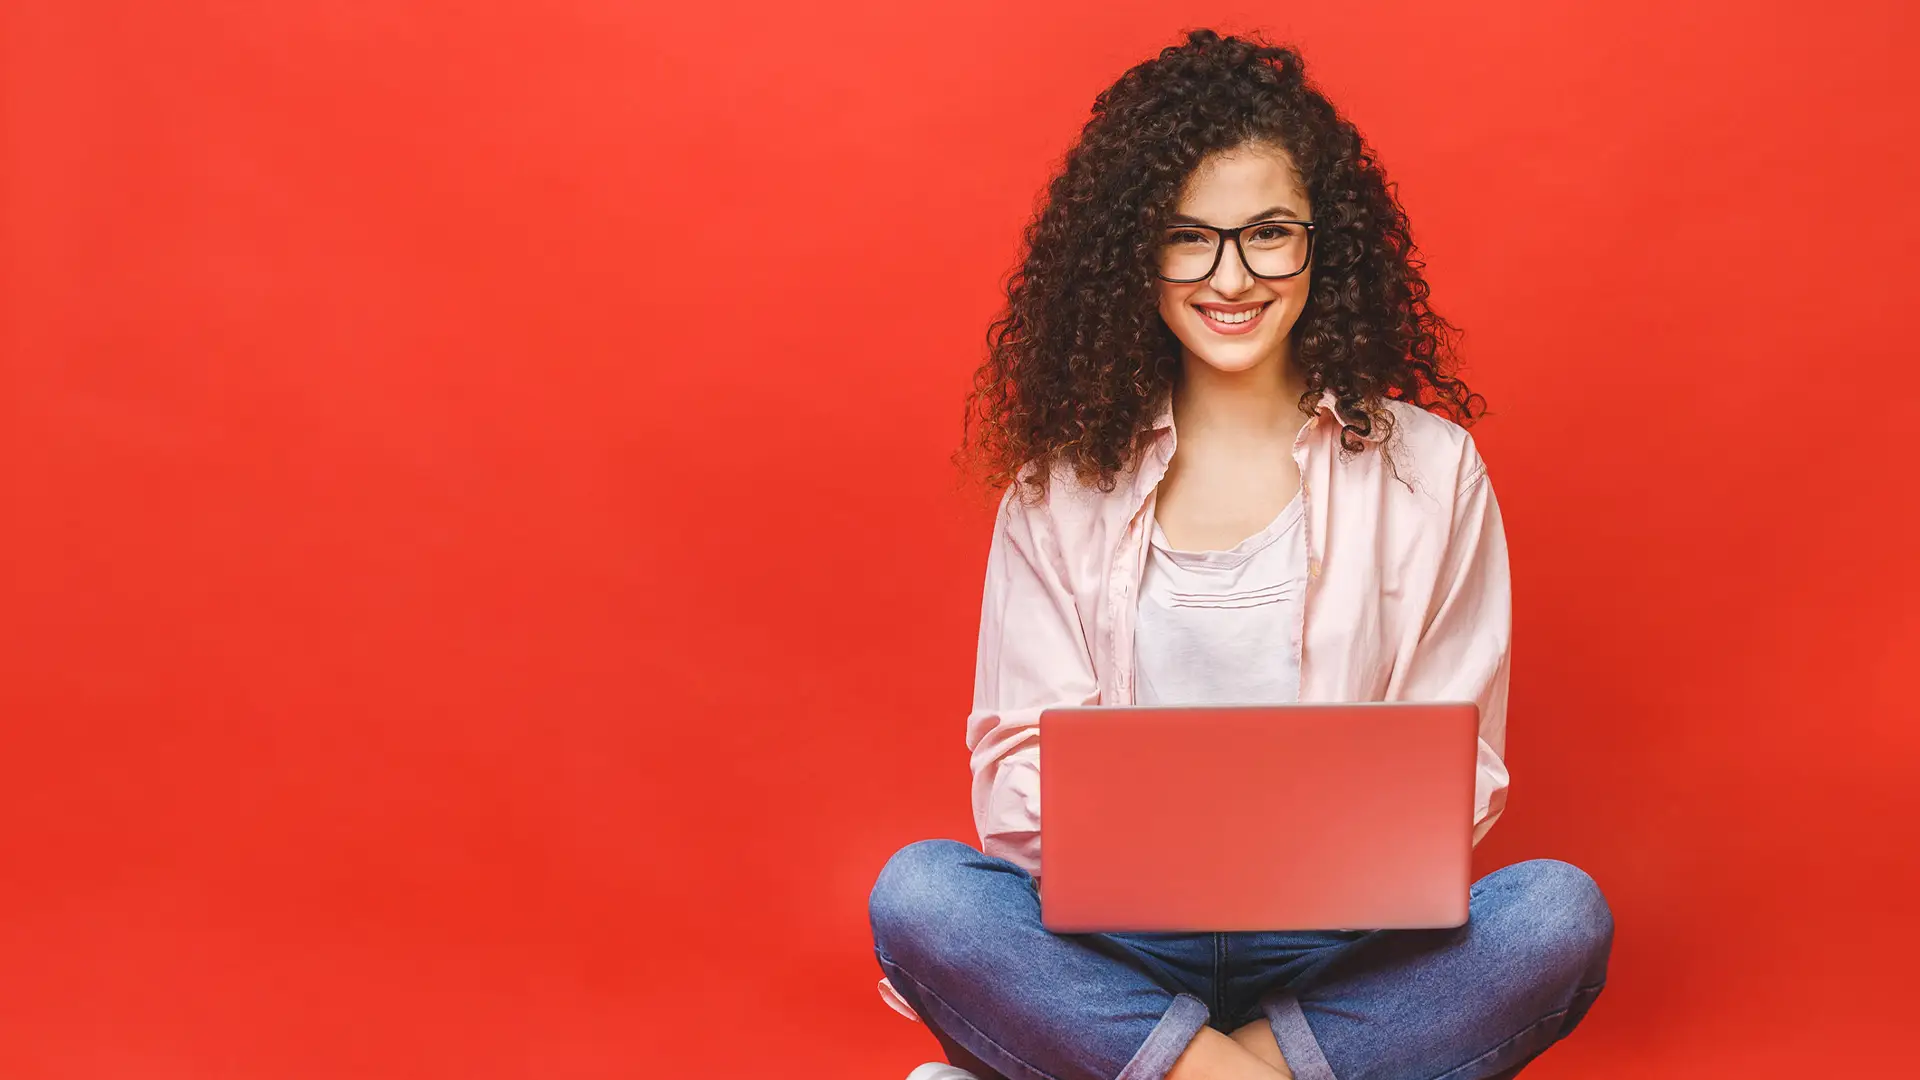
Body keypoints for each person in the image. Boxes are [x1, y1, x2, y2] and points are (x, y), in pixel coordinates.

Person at [867, 28, 1613, 1080]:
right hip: (1115, 945)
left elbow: (1464, 773)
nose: (1233, 276)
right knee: (923, 895)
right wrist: (1157, 849)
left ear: (1324, 242)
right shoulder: (1061, 484)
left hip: (1343, 954)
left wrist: (1317, 852)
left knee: (1555, 917)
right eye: (1190, 237)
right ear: (1138, 252)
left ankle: (1162, 1068)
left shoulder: (1433, 471)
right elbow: (1014, 781)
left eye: (1269, 233)